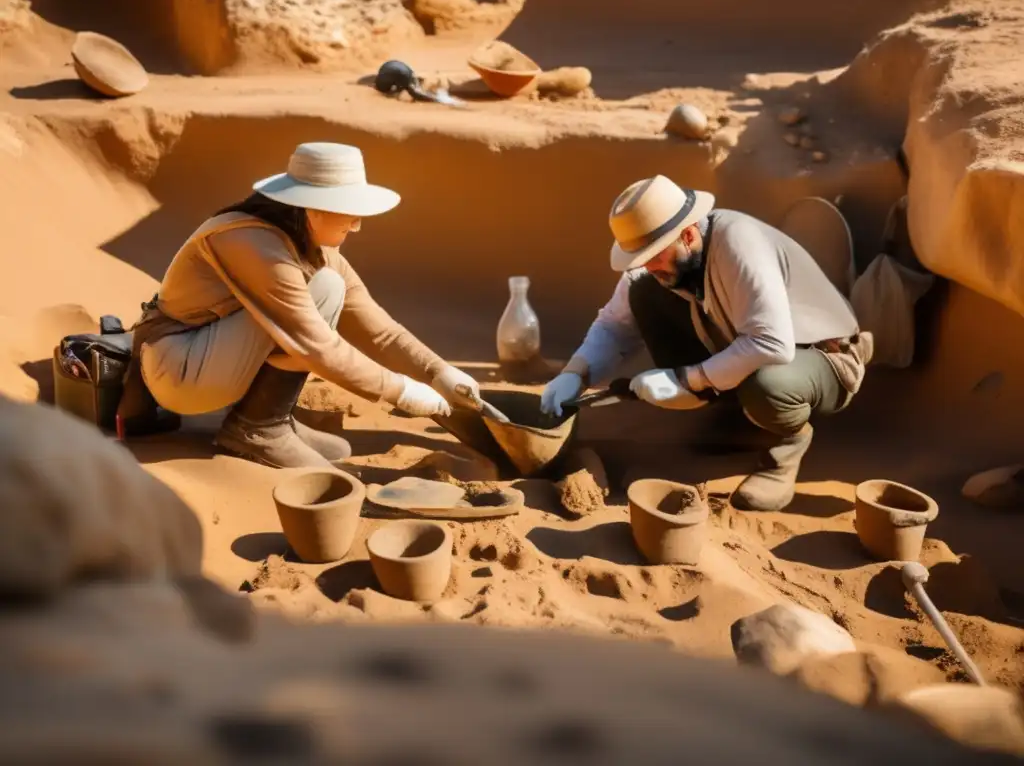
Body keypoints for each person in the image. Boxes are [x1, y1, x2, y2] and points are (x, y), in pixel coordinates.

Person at [126, 141, 481, 469]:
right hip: (179, 370)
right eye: (349, 212)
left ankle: (271, 418)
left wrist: (439, 373)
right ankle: (257, 429)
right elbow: (317, 345)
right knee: (322, 290)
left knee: (329, 285)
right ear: (312, 209)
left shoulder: (311, 247)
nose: (357, 225)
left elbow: (381, 331)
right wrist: (399, 391)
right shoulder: (254, 243)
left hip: (214, 358)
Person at [540, 175, 873, 512]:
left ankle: (785, 449)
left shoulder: (738, 243)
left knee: (767, 384)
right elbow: (614, 325)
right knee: (644, 292)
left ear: (688, 234)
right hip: (748, 345)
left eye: (653, 255)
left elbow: (773, 344)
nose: (646, 264)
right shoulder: (663, 264)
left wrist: (686, 380)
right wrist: (576, 373)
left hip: (826, 358)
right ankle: (731, 413)